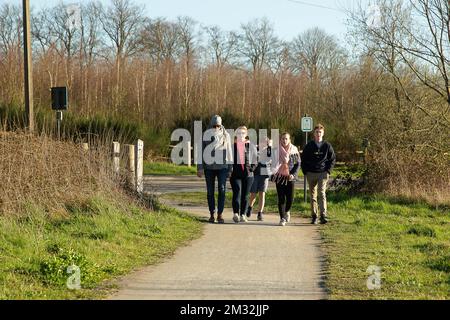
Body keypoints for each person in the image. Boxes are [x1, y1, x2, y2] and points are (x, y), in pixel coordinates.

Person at [197, 115, 233, 224]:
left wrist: (230, 168)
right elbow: (200, 152)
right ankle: (212, 213)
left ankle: (220, 214)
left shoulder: (226, 135)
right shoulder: (205, 135)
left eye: (218, 125)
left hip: (222, 167)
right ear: (211, 125)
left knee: (222, 189)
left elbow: (230, 151)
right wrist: (200, 167)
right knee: (210, 191)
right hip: (209, 168)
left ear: (220, 125)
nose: (216, 127)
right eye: (214, 125)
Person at [300, 123, 336, 224]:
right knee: (312, 195)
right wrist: (305, 171)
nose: (318, 134)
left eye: (320, 132)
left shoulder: (327, 145)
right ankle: (314, 216)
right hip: (311, 173)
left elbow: (332, 159)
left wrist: (328, 171)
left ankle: (323, 215)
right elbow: (303, 159)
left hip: (323, 173)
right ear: (314, 134)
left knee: (321, 193)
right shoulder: (309, 145)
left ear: (323, 133)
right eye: (317, 132)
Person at [270, 132, 300, 226]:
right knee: (281, 198)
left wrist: (293, 174)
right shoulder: (276, 150)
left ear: (289, 140)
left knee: (290, 198)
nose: (284, 140)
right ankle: (282, 218)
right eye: (283, 138)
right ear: (280, 140)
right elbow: (272, 162)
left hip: (290, 177)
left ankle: (287, 211)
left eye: (286, 138)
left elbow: (297, 164)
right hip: (279, 176)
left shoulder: (294, 149)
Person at [230, 126, 257, 223]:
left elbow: (255, 160)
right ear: (236, 135)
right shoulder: (232, 146)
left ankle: (243, 214)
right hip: (235, 174)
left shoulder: (251, 146)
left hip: (248, 175)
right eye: (239, 133)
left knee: (245, 195)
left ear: (246, 135)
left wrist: (251, 169)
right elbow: (228, 160)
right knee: (237, 192)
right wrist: (230, 169)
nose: (240, 135)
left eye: (242, 133)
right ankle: (236, 213)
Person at [246, 137, 273, 221]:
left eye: (266, 142)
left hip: (265, 174)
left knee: (262, 193)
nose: (263, 143)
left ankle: (260, 213)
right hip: (256, 173)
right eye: (262, 142)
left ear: (268, 143)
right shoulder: (256, 149)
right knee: (253, 194)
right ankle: (250, 207)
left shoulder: (269, 150)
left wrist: (270, 147)